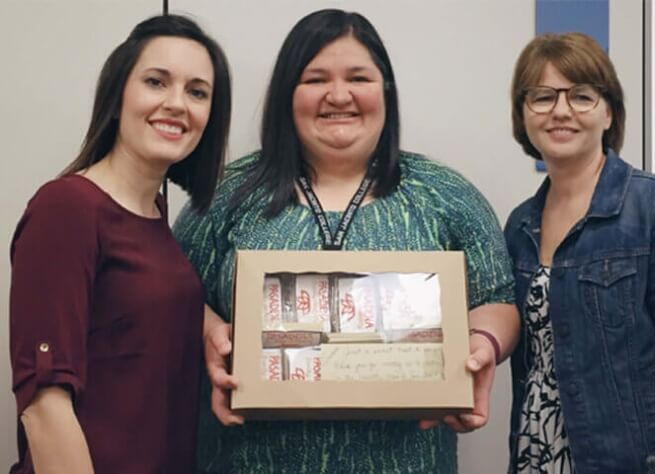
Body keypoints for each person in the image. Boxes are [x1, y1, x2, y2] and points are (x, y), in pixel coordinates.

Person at [174, 8, 519, 473]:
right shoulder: (225, 195)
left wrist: (482, 345)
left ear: (386, 91)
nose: (339, 95)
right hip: (250, 458)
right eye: (315, 79)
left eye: (359, 77)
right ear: (286, 95)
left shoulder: (444, 194)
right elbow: (174, 293)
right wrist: (211, 334)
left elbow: (498, 298)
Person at [9, 14, 231, 474]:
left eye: (197, 92)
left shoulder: (154, 216)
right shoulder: (67, 208)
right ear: (118, 95)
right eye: (156, 81)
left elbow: (139, 309)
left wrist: (212, 330)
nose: (177, 104)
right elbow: (43, 404)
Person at [504, 32, 655, 473]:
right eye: (543, 97)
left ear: (609, 112)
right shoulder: (519, 226)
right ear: (523, 115)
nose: (561, 110)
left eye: (582, 96)